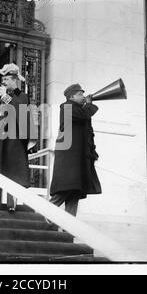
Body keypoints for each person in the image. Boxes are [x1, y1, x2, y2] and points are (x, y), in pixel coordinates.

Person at [0, 63, 35, 212]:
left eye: (7, 79)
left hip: (14, 141)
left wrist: (5, 97)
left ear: (14, 80)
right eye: (3, 79)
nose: (4, 82)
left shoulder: (22, 96)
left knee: (12, 172)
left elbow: (18, 111)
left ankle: (10, 204)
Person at [48, 83, 101, 218]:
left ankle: (69, 226)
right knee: (67, 187)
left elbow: (86, 127)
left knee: (75, 190)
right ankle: (46, 212)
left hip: (78, 155)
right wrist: (88, 104)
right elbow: (84, 115)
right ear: (71, 96)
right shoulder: (66, 107)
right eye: (80, 94)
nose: (83, 96)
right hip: (69, 156)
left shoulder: (78, 108)